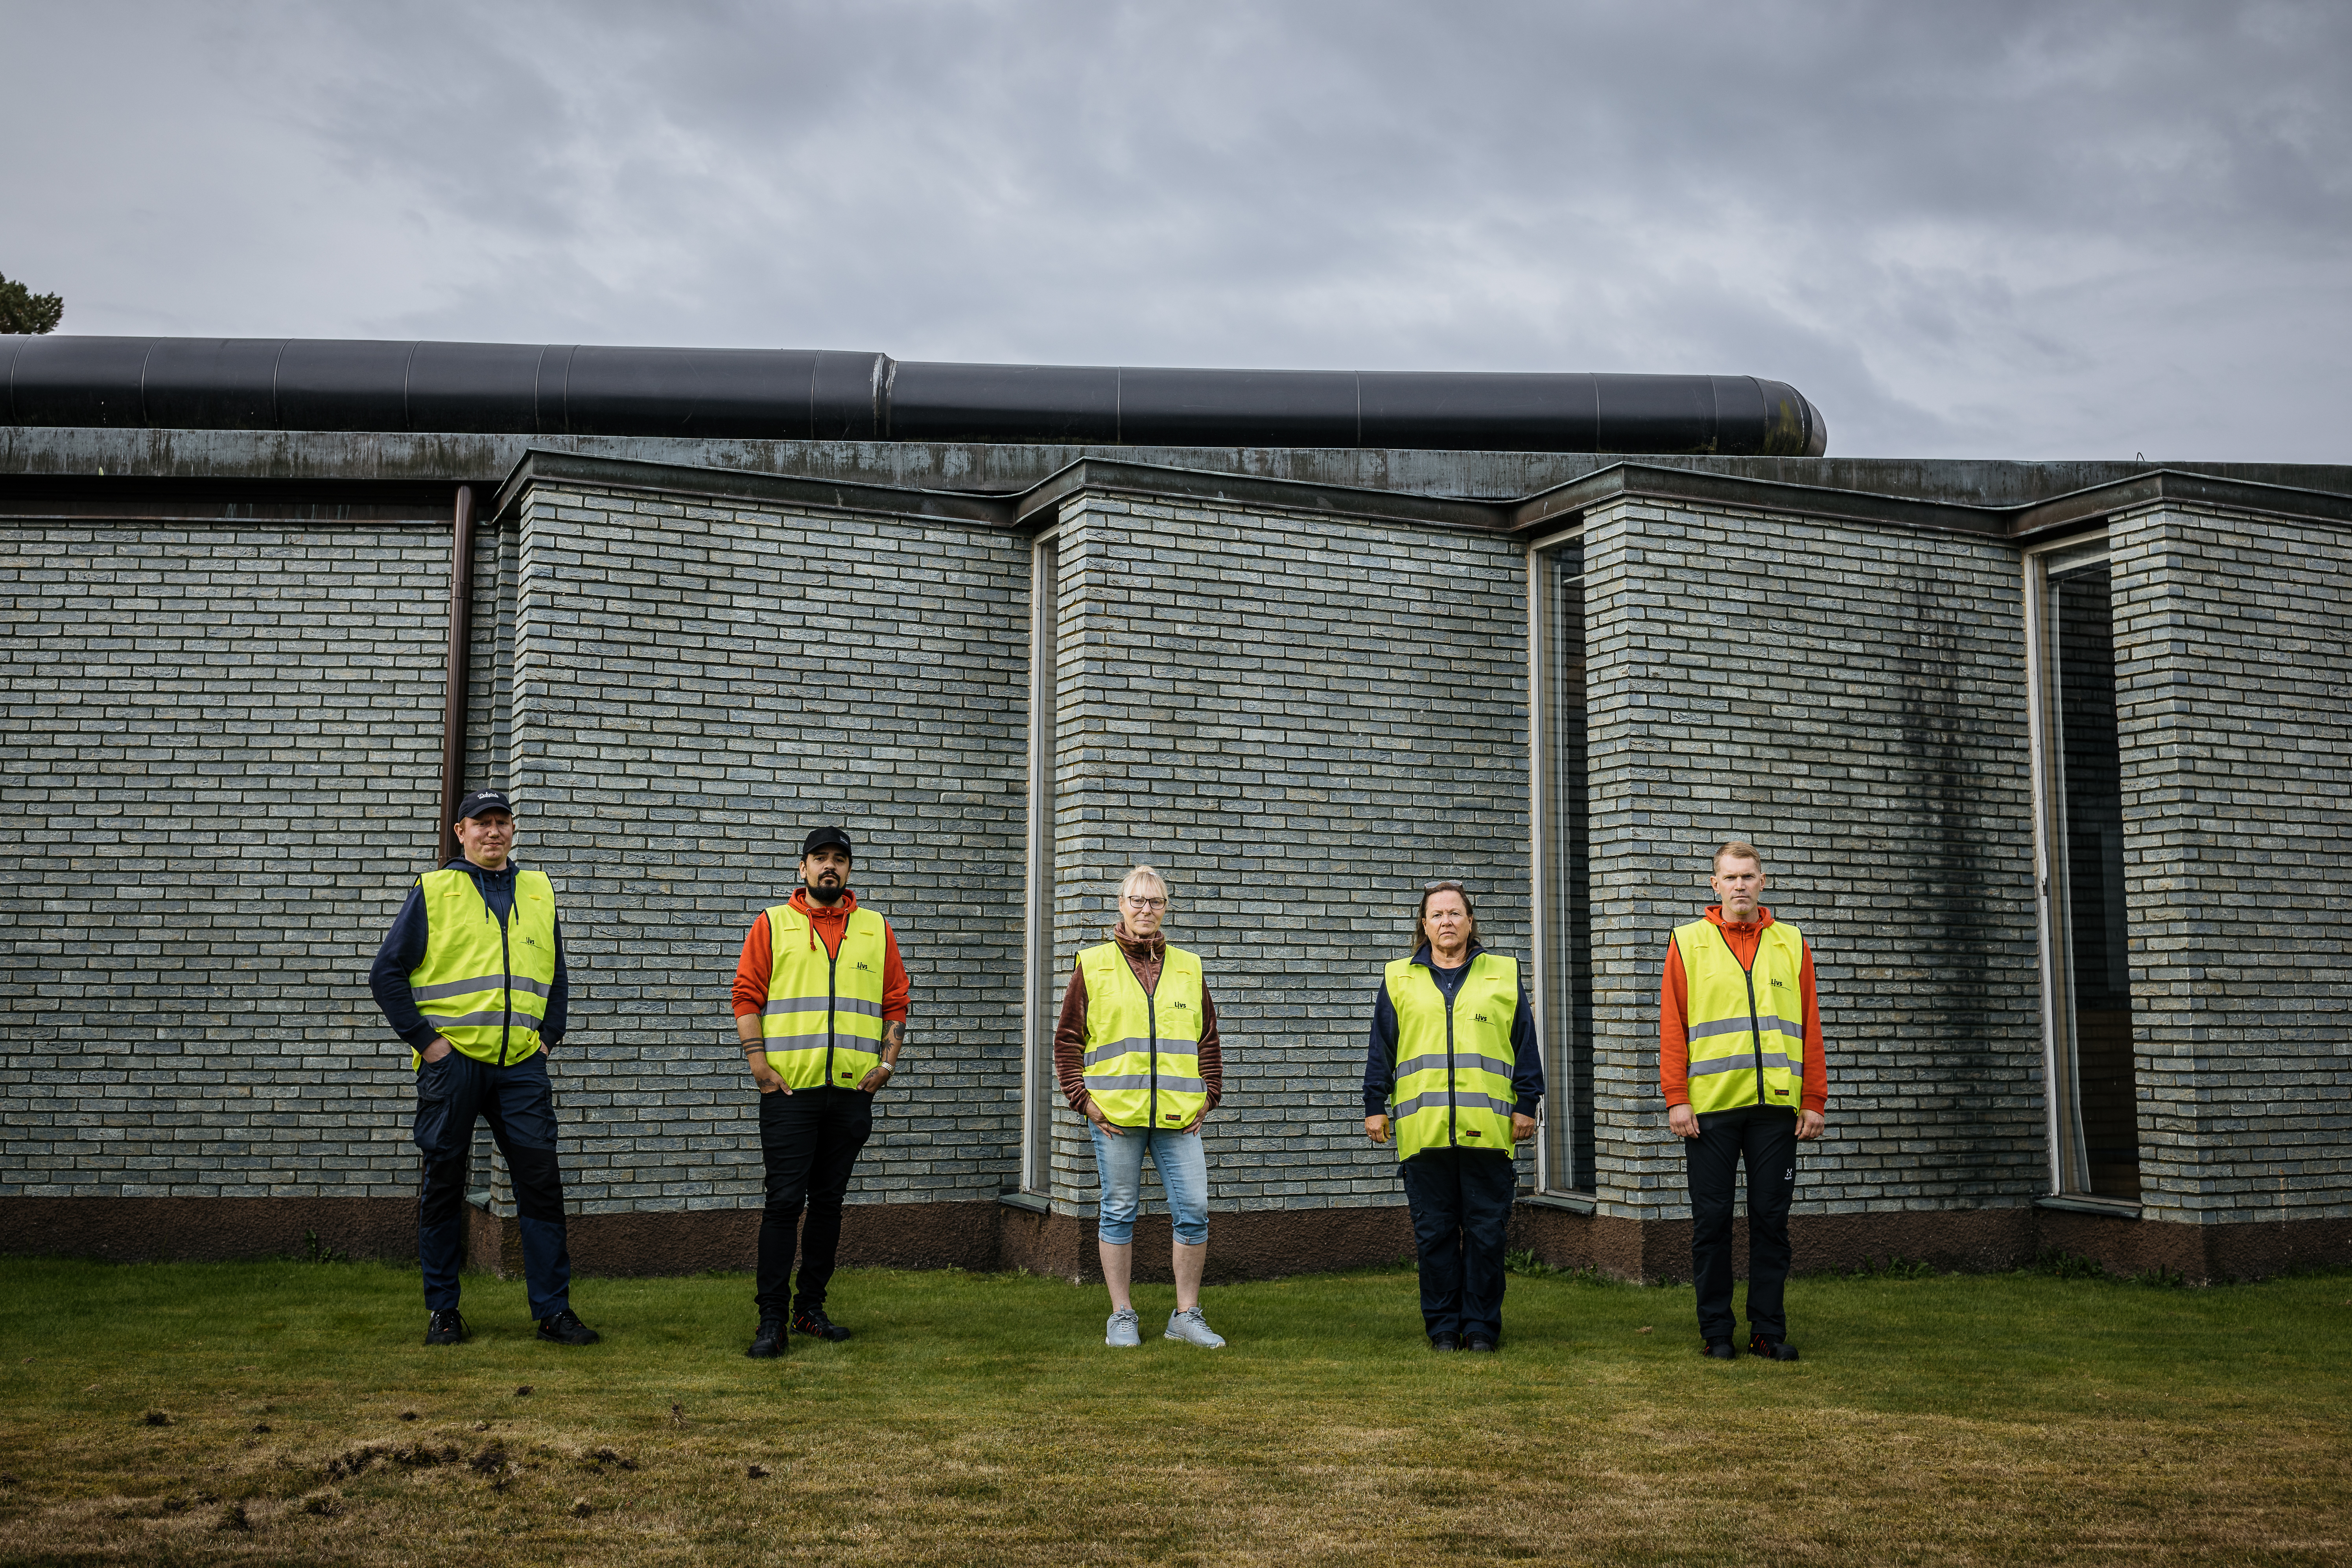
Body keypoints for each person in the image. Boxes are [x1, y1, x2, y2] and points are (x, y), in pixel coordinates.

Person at [369, 789, 599, 1348]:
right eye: (482, 823)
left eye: (503, 822)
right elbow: (387, 973)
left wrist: (549, 1036)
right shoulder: (435, 889)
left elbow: (556, 971)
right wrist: (427, 1043)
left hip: (522, 1064)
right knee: (444, 1185)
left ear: (513, 831)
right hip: (455, 1065)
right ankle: (443, 1310)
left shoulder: (538, 890)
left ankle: (554, 1311)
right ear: (460, 831)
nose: (494, 832)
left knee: (541, 1186)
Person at [731, 826, 908, 1358]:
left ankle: (810, 1307)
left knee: (828, 1203)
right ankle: (771, 1319)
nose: (829, 866)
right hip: (790, 1092)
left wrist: (887, 1063)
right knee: (784, 1202)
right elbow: (746, 994)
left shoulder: (876, 929)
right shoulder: (773, 923)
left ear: (849, 869)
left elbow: (895, 1001)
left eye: (839, 859)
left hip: (852, 1093)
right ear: (802, 867)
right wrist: (758, 1064)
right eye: (820, 858)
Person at [1661, 840, 1828, 1362]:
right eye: (1730, 877)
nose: (1739, 885)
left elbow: (1810, 1026)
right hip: (1709, 1112)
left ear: (1763, 881)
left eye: (1748, 876)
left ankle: (1766, 1331)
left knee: (1770, 1222)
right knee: (1711, 1222)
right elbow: (1673, 1026)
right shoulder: (1688, 942)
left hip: (1776, 1112)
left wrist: (1814, 1098)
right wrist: (1677, 1098)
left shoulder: (1792, 943)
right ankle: (1715, 1331)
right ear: (1714, 885)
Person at [1363, 881, 1542, 1353]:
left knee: (1486, 1235)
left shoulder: (1502, 974)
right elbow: (1381, 1047)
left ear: (1469, 922)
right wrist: (1373, 1105)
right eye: (1436, 914)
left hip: (1489, 1128)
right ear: (1423, 925)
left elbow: (1525, 1042)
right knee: (1435, 1235)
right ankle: (1443, 1327)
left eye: (1454, 913)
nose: (1446, 922)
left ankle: (1481, 1327)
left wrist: (1528, 1102)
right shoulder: (1398, 977)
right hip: (1424, 1131)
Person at [1056, 865, 1226, 1349]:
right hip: (1115, 1118)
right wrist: (1082, 1100)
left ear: (1165, 908)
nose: (1145, 910)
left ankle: (1186, 1315)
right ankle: (1122, 1315)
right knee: (1118, 1211)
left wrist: (1209, 1095)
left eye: (1155, 902)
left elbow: (1207, 1038)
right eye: (1137, 900)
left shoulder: (1189, 967)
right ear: (1121, 905)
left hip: (1178, 1118)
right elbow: (1067, 1040)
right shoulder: (1092, 964)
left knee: (1193, 1210)